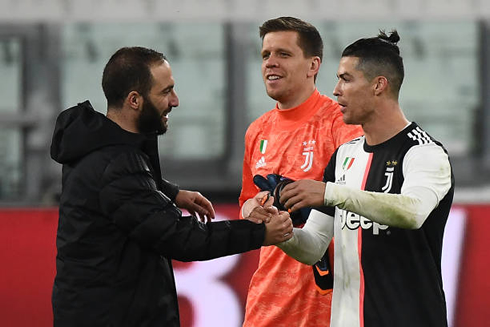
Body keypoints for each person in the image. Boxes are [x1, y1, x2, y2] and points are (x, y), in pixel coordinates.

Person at [49, 46, 293, 327]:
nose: (175, 101)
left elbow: (125, 189)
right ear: (134, 100)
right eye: (165, 92)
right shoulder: (118, 164)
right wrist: (259, 232)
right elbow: (180, 238)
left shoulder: (97, 146)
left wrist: (170, 193)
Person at [277, 30, 455, 327]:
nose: (336, 90)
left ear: (378, 85)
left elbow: (412, 212)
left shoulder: (424, 152)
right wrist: (280, 231)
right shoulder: (345, 156)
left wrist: (330, 193)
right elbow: (313, 247)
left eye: (346, 79)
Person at [239, 17, 363, 327]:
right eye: (266, 55)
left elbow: (362, 200)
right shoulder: (257, 131)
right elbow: (246, 202)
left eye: (283, 54)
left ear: (313, 65)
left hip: (328, 305)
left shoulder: (342, 125)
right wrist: (250, 209)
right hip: (267, 305)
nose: (271, 63)